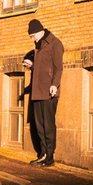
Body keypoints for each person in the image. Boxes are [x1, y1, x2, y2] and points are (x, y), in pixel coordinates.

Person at [23, 18, 63, 167]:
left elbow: (58, 68)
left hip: (49, 92)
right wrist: (31, 65)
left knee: (48, 125)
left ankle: (50, 157)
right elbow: (41, 68)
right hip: (37, 91)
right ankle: (42, 153)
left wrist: (54, 85)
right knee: (39, 125)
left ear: (39, 31)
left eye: (32, 36)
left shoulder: (55, 43)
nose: (32, 39)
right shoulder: (38, 46)